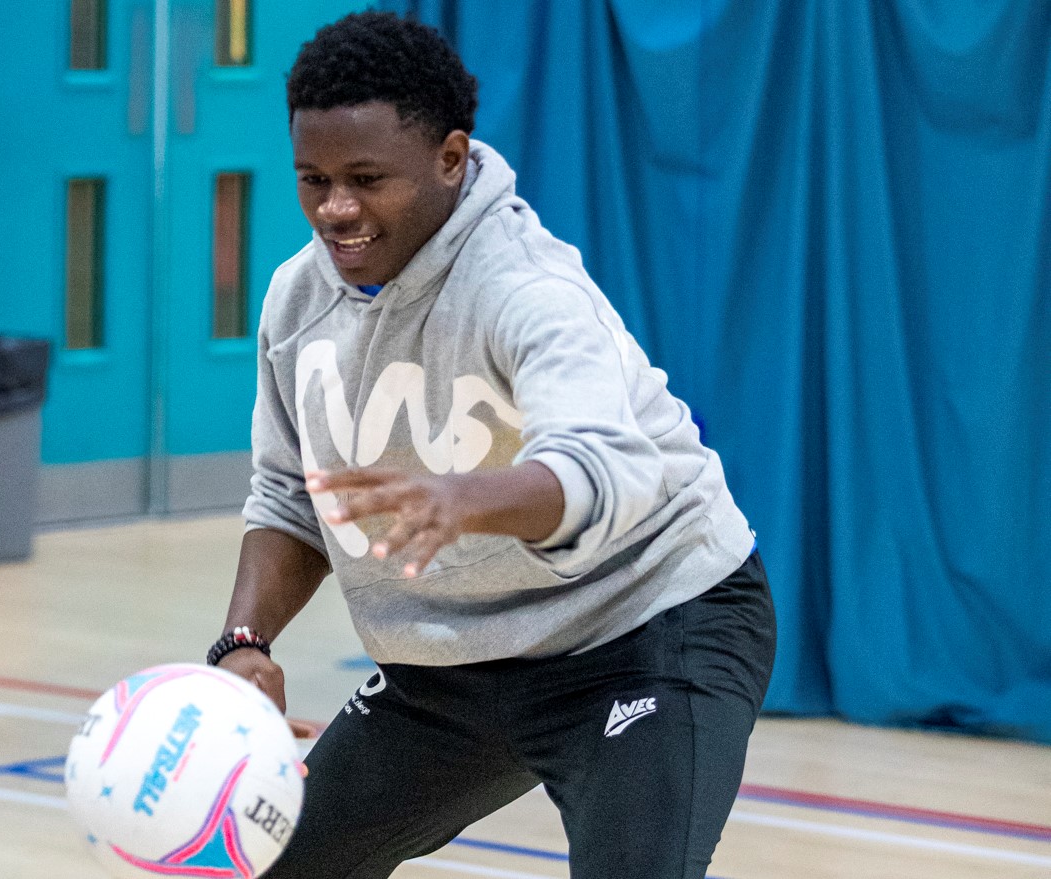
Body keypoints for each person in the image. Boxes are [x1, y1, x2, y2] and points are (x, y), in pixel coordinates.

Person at [206, 11, 776, 879]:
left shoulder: (528, 287)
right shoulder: (295, 302)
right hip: (452, 665)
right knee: (281, 865)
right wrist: (244, 640)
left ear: (451, 157)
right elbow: (289, 498)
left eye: (366, 178)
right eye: (313, 178)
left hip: (645, 624)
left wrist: (462, 498)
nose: (336, 209)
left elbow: (605, 469)